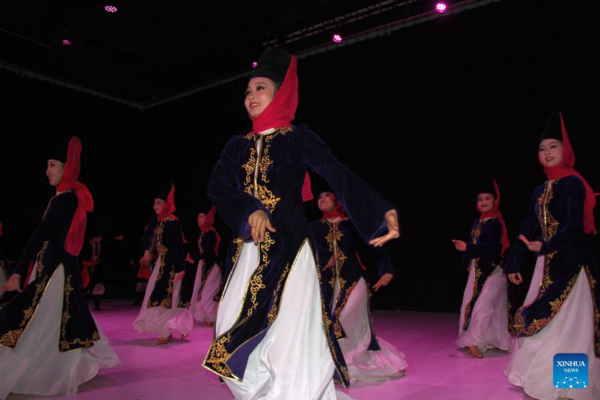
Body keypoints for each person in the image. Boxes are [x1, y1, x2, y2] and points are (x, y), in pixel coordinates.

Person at [203, 48, 400, 399]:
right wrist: (249, 208)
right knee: (232, 328)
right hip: (246, 252)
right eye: (247, 91)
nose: (250, 96)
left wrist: (378, 209)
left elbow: (336, 172)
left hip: (291, 250)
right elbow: (216, 186)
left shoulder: (298, 138)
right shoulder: (236, 146)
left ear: (280, 92)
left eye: (259, 88)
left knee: (290, 336)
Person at [0, 136, 120, 398]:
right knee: (52, 322)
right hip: (54, 269)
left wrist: (19, 270)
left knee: (40, 320)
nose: (48, 170)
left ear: (68, 167)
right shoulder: (66, 196)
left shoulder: (65, 198)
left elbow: (41, 233)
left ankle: (50, 373)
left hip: (56, 273)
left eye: (53, 164)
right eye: (47, 165)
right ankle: (66, 369)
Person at [504, 112, 599, 400]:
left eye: (553, 146)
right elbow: (526, 229)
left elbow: (573, 226)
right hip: (547, 265)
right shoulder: (539, 190)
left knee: (572, 327)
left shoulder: (572, 183)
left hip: (572, 264)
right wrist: (514, 261)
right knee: (547, 328)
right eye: (542, 148)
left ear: (565, 150)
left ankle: (571, 388)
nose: (547, 152)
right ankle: (549, 381)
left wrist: (544, 247)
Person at [310, 190, 407, 383]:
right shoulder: (313, 227)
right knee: (337, 323)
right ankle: (343, 364)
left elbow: (375, 246)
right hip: (328, 286)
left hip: (354, 280)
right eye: (319, 197)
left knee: (341, 318)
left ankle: (349, 361)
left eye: (327, 196)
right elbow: (306, 249)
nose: (322, 199)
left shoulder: (350, 225)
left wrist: (387, 270)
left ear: (337, 200)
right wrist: (323, 256)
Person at [452, 179, 512, 358]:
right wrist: (468, 263)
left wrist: (467, 248)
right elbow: (474, 245)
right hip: (478, 270)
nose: (484, 202)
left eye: (487, 198)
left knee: (484, 306)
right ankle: (488, 340)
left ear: (495, 201)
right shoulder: (478, 222)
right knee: (475, 304)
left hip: (494, 271)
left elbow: (492, 247)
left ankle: (473, 341)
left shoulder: (495, 223)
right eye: (480, 199)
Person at [133, 183, 191, 344]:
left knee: (172, 298)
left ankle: (176, 328)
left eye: (159, 203)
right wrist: (146, 250)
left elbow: (179, 247)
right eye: (154, 203)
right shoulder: (155, 221)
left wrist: (180, 269)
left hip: (172, 267)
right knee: (156, 298)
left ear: (167, 204)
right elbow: (147, 238)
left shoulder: (174, 222)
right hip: (161, 264)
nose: (155, 206)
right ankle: (165, 330)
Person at [181, 207, 222, 327]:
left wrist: (194, 258)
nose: (199, 219)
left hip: (212, 266)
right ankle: (209, 317)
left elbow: (209, 252)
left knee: (207, 292)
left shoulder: (210, 233)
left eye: (202, 217)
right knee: (201, 291)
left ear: (208, 218)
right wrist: (193, 259)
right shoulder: (203, 232)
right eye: (198, 217)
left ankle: (212, 317)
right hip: (203, 265)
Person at [80, 227, 105, 311]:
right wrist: (85, 263)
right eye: (97, 237)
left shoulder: (101, 244)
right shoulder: (87, 244)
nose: (99, 239)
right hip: (86, 267)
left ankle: (97, 305)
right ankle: (81, 306)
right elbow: (81, 255)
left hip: (97, 267)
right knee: (84, 285)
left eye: (100, 237)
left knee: (98, 284)